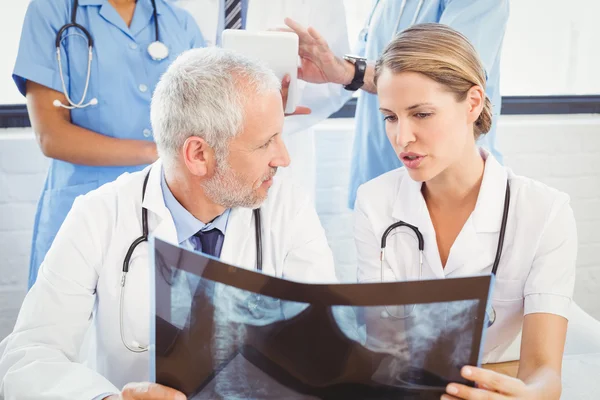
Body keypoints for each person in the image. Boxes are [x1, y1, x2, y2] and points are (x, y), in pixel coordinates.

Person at [0, 47, 336, 399]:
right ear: (198, 155)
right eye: (266, 143)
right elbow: (29, 357)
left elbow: (324, 339)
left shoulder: (288, 208)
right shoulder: (99, 216)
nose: (283, 158)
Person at [353, 24, 576, 399]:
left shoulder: (545, 213)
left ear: (473, 103)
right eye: (390, 116)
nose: (401, 137)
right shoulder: (374, 201)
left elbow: (543, 373)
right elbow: (383, 349)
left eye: (421, 114)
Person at [14, 0, 205, 288]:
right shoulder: (52, 10)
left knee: (160, 328)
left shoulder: (179, 21)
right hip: (79, 212)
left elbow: (204, 119)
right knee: (67, 327)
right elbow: (52, 136)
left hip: (168, 212)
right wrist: (161, 152)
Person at [285, 0, 509, 208]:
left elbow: (447, 73)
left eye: (421, 114)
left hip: (450, 184)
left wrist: (349, 71)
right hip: (379, 176)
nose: (403, 137)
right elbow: (361, 72)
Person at [175, 0, 351, 202]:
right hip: (196, 141)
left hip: (278, 145)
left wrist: (276, 106)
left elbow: (336, 79)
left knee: (271, 224)